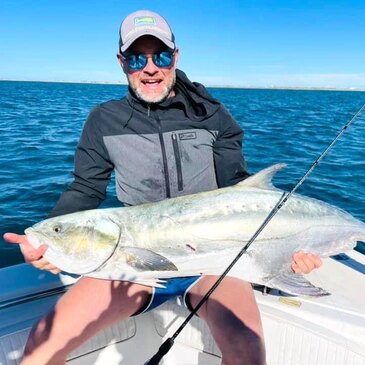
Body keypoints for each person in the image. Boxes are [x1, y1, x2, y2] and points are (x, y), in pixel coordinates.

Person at [4, 10, 322, 365]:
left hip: (212, 261)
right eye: (138, 57)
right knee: (41, 345)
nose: (151, 68)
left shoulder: (212, 115)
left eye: (162, 56)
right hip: (133, 261)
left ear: (176, 57)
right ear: (122, 62)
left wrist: (288, 251)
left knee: (247, 349)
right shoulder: (103, 120)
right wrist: (51, 240)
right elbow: (85, 189)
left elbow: (240, 193)